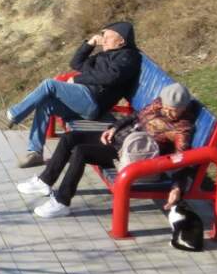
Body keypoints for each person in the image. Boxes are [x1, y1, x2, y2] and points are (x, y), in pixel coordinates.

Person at [17, 82, 197, 218]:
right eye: (165, 107)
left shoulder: (182, 128)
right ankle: (45, 181)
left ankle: (62, 202)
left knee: (81, 151)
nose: (167, 113)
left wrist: (177, 187)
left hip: (130, 156)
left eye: (173, 111)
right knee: (69, 138)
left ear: (183, 108)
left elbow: (184, 159)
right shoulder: (159, 103)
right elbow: (135, 116)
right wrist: (113, 128)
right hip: (117, 139)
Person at [0, 21, 140, 168]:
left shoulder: (128, 57)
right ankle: (35, 152)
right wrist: (90, 43)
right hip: (86, 98)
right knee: (45, 105)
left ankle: (11, 116)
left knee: (50, 84)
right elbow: (76, 63)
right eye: (103, 37)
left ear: (121, 41)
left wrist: (78, 78)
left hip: (93, 101)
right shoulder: (105, 55)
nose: (104, 40)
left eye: (108, 37)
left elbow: (111, 77)